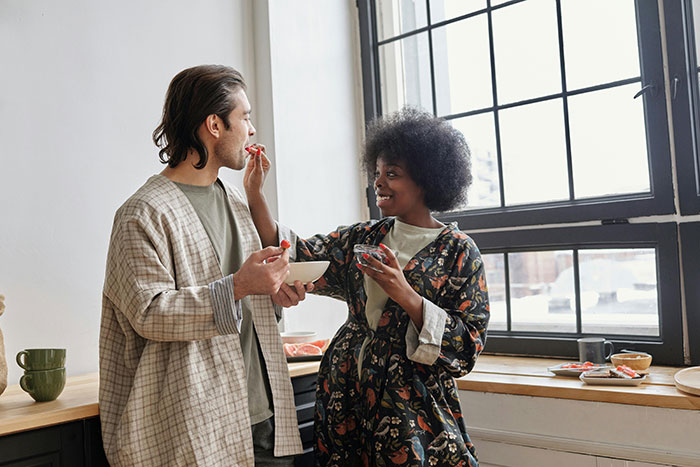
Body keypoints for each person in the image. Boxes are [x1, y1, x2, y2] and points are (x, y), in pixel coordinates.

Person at [244, 107, 490, 466]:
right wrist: (255, 195)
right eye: (377, 173)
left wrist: (406, 295)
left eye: (392, 174)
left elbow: (468, 343)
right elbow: (294, 257)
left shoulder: (459, 251)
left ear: (426, 179)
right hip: (345, 391)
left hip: (410, 402)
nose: (379, 182)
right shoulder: (364, 237)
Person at [99, 64, 312, 466]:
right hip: (195, 429)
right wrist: (237, 286)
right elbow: (150, 313)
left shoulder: (235, 200)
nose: (251, 130)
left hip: (264, 419)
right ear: (214, 125)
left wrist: (275, 291)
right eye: (244, 117)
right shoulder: (142, 214)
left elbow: (247, 305)